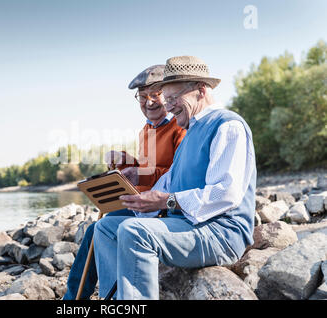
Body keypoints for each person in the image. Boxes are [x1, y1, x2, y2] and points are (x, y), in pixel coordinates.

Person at [93, 55, 257, 300]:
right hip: (190, 226)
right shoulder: (190, 131)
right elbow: (168, 183)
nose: (167, 106)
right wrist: (136, 200)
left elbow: (225, 193)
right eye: (166, 99)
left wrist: (165, 201)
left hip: (220, 233)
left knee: (134, 232)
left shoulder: (227, 125)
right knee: (106, 228)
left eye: (172, 98)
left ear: (200, 90)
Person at [62, 65, 186, 300]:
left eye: (155, 94)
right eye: (142, 96)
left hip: (163, 208)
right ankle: (74, 298)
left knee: (101, 230)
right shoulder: (146, 130)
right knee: (94, 231)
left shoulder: (180, 127)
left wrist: (141, 174)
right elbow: (147, 167)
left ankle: (82, 299)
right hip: (142, 204)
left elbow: (177, 175)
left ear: (168, 94)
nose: (149, 102)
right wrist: (124, 160)